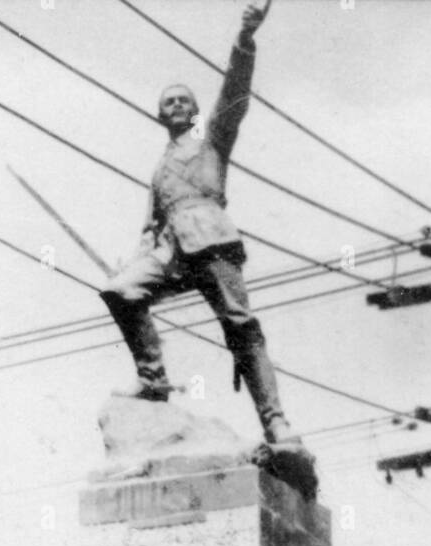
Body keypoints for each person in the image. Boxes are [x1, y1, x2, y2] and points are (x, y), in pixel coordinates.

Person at [100, 3, 301, 449]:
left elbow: (235, 93)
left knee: (241, 327)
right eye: (167, 102)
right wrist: (133, 263)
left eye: (183, 101)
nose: (176, 105)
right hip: (171, 251)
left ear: (194, 113)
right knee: (120, 292)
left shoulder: (212, 142)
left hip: (211, 242)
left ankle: (276, 422)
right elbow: (150, 228)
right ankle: (153, 379)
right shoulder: (157, 169)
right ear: (159, 115)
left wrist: (245, 38)